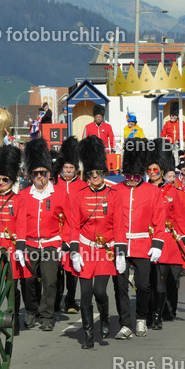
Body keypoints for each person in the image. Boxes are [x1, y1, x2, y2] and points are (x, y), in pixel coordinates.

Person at [110, 138, 166, 338]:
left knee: (143, 286)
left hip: (143, 244)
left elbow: (159, 219)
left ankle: (141, 318)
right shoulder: (115, 190)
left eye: (135, 175)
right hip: (120, 245)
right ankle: (125, 324)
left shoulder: (153, 191)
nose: (131, 179)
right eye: (128, 175)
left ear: (141, 173)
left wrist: (157, 244)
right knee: (120, 286)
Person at [68, 136, 118, 348]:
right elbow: (73, 225)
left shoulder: (114, 195)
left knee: (100, 292)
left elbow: (119, 225)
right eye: (91, 173)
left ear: (104, 173)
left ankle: (104, 318)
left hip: (105, 250)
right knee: (86, 294)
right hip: (85, 249)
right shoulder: (79, 196)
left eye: (98, 173)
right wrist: (74, 252)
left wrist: (120, 253)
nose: (95, 176)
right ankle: (88, 335)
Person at [14, 138, 67, 331]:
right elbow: (18, 222)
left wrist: (65, 242)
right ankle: (31, 309)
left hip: (51, 243)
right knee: (27, 280)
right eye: (35, 173)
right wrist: (20, 245)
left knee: (50, 280)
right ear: (30, 175)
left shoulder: (60, 194)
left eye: (42, 173)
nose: (39, 176)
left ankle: (46, 316)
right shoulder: (23, 195)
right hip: (29, 243)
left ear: (48, 174)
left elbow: (69, 220)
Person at [146, 140, 185, 330]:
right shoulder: (141, 190)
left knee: (161, 280)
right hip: (146, 239)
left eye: (156, 170)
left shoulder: (171, 192)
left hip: (166, 240)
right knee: (147, 282)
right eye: (149, 170)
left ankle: (157, 315)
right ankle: (147, 312)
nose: (152, 173)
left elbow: (180, 218)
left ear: (162, 171)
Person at [53, 137, 86, 314]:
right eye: (65, 168)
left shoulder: (82, 186)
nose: (68, 171)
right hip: (54, 233)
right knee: (56, 270)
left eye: (71, 168)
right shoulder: (53, 185)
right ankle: (56, 300)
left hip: (73, 232)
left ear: (75, 169)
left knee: (72, 270)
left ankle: (71, 300)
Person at [0, 144, 27, 282]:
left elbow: (21, 224)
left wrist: (20, 246)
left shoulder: (19, 199)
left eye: (5, 179)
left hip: (11, 244)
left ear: (11, 180)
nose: (1, 182)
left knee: (12, 281)